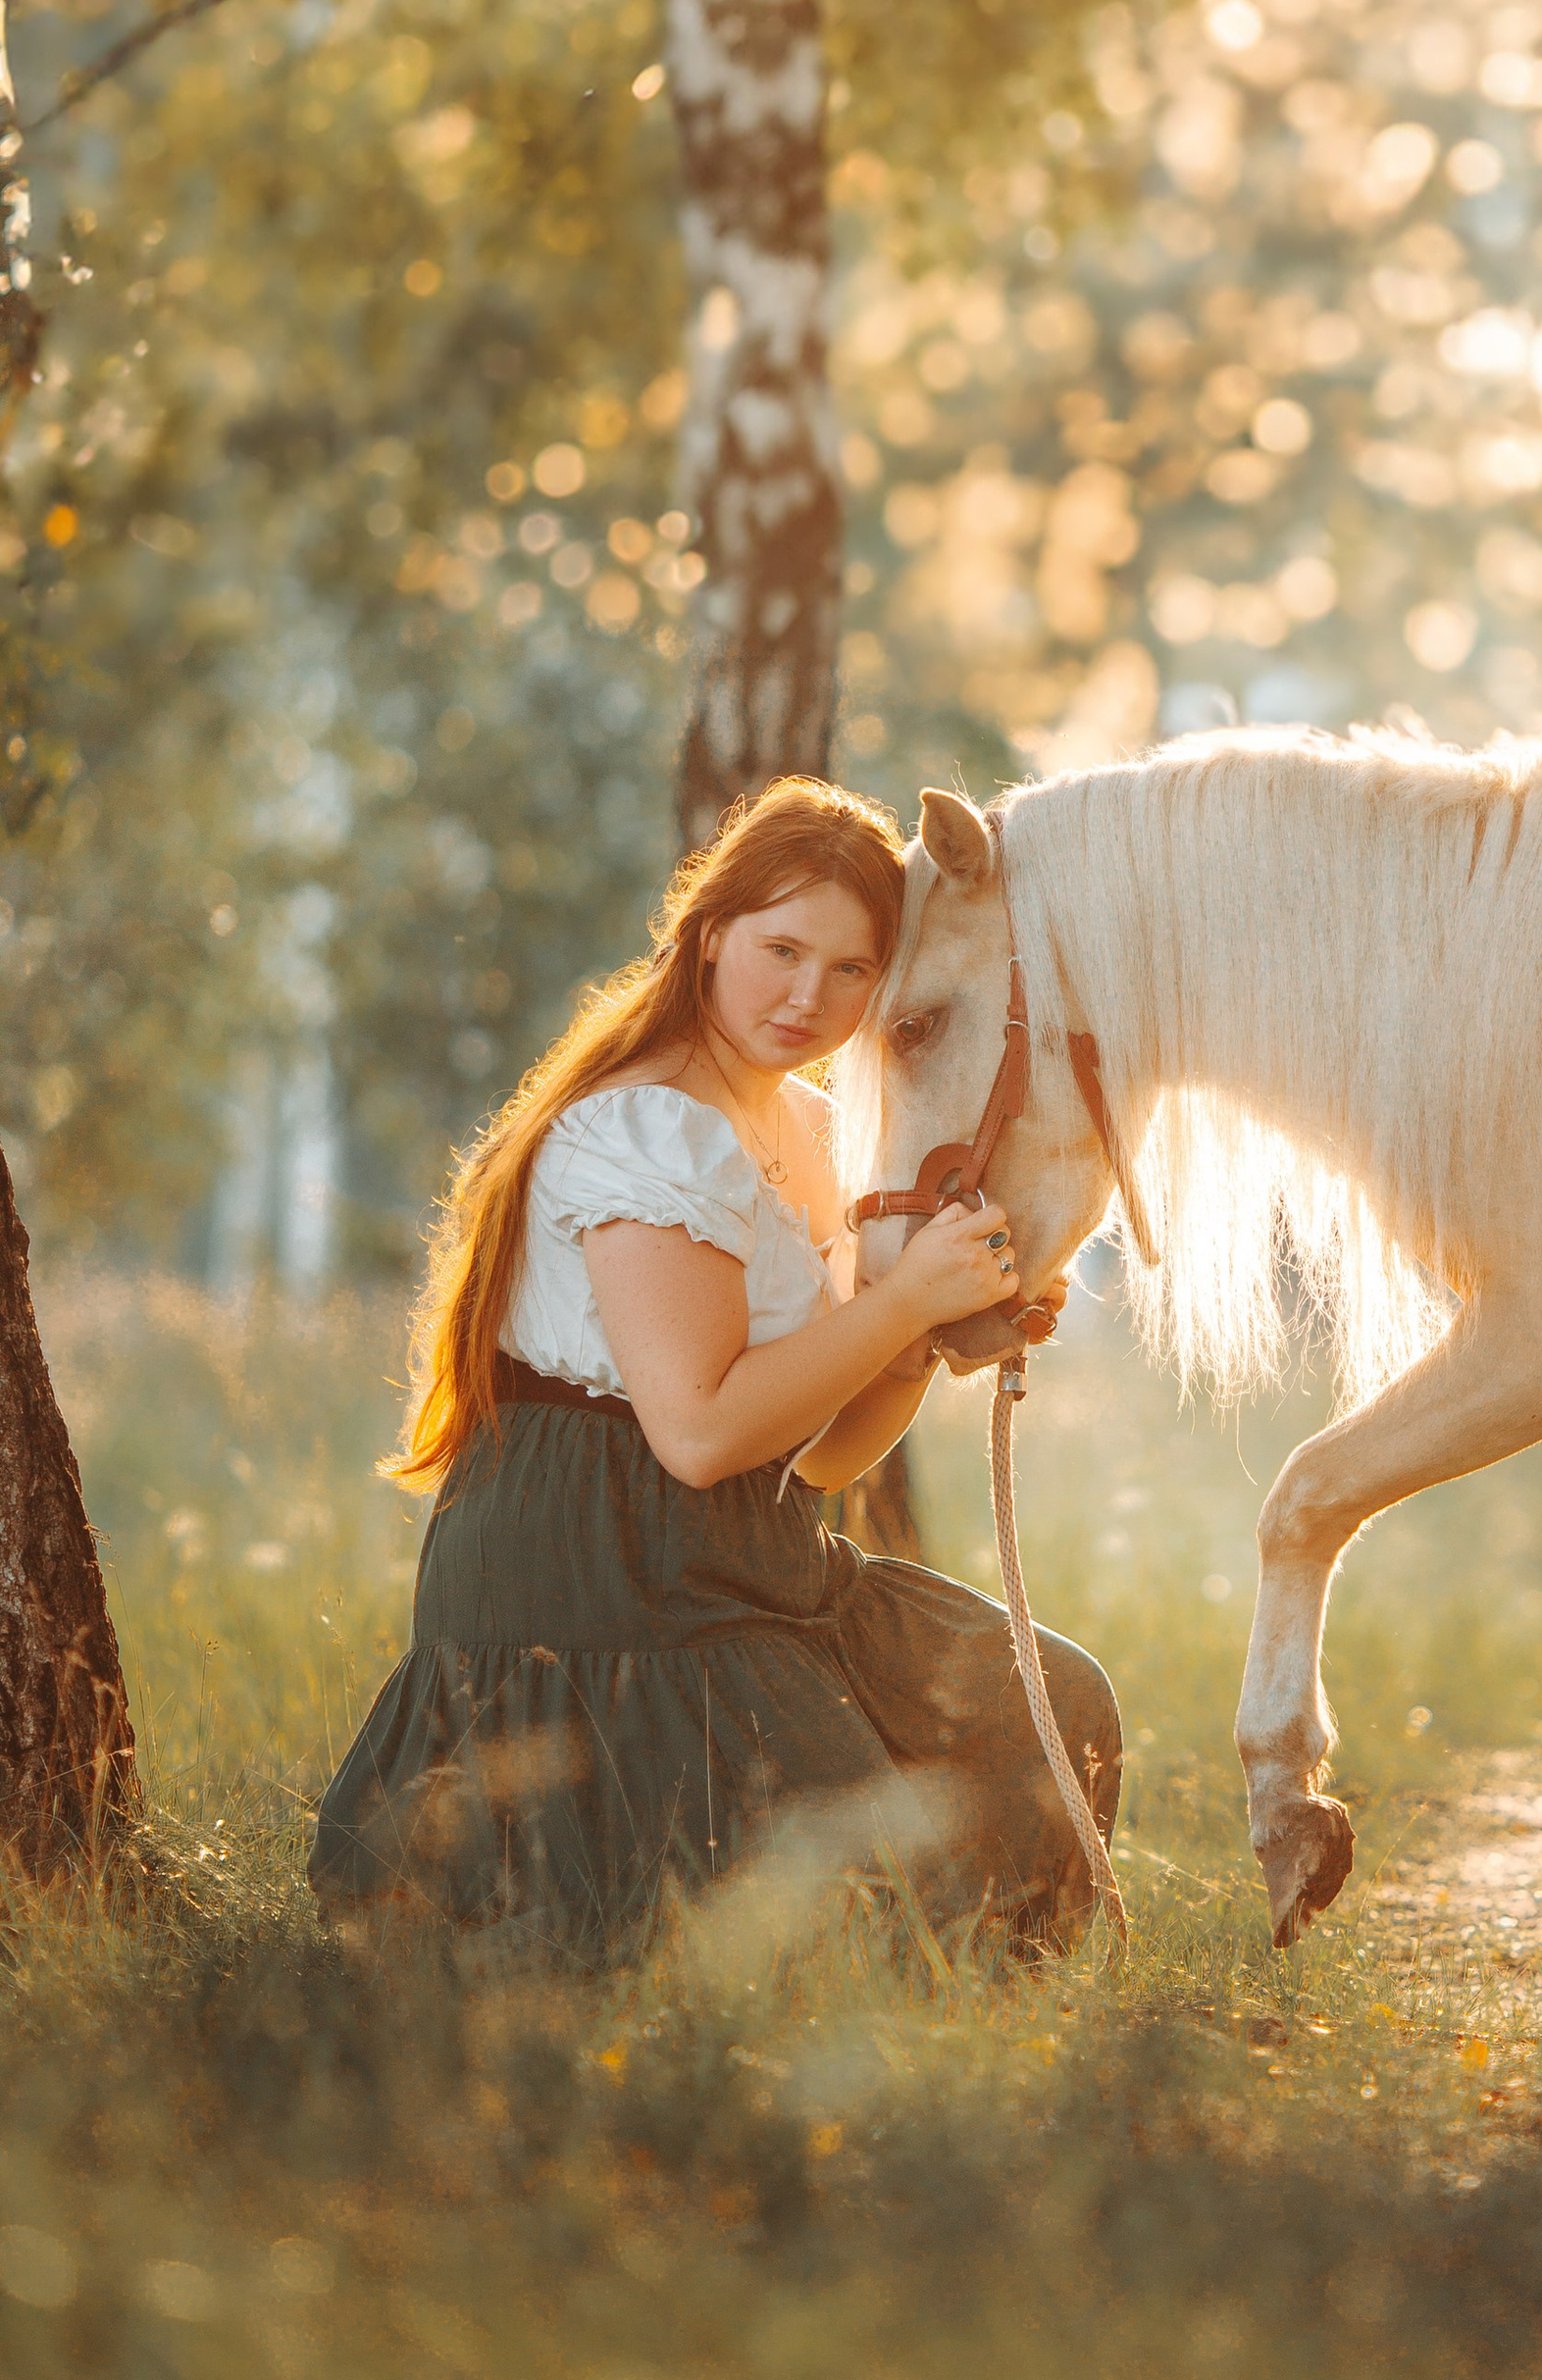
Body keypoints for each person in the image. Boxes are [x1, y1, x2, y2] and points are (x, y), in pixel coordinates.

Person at [311, 778, 1120, 1960]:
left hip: (748, 1558)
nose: (808, 997)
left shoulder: (811, 1129)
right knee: (862, 1890)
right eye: (781, 950)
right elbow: (697, 1433)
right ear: (708, 938)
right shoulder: (648, 1126)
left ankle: (1003, 2015)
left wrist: (922, 1337)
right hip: (599, 1583)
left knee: (1046, 1703)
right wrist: (903, 1297)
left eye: (851, 969)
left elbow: (821, 1457)